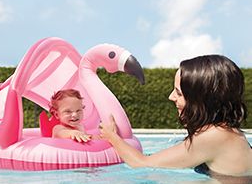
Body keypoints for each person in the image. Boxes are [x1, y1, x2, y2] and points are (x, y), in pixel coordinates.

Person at [99, 54, 252, 177]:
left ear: (201, 100)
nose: (171, 97)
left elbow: (141, 163)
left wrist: (111, 136)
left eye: (178, 92)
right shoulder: (227, 133)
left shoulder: (215, 136)